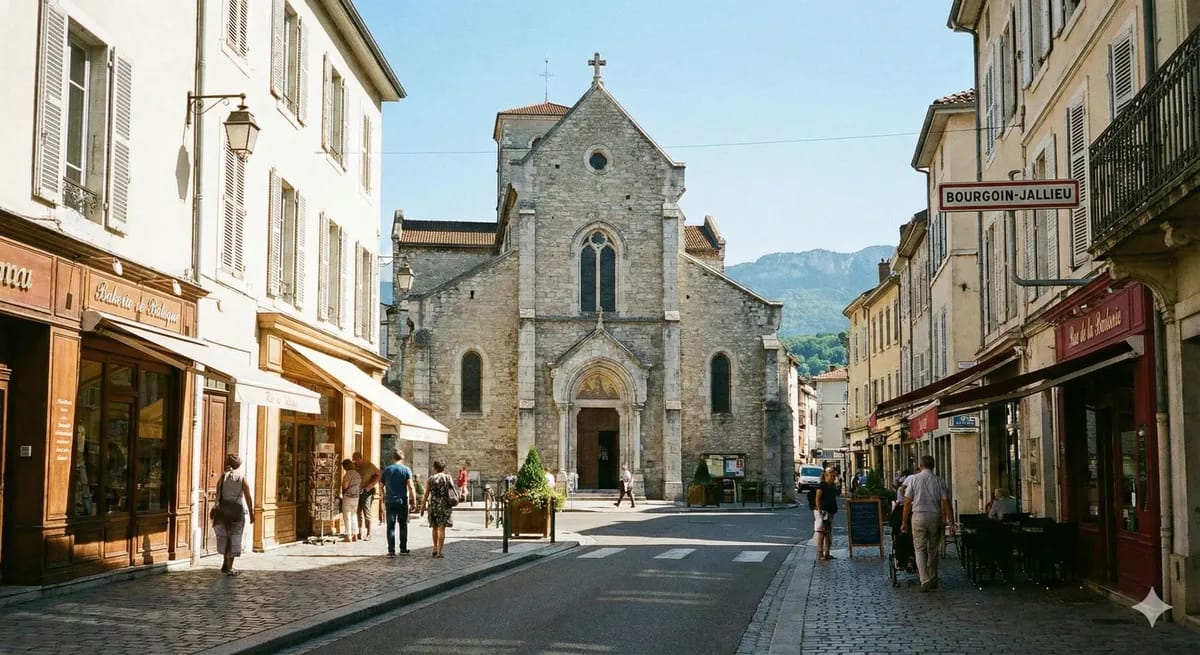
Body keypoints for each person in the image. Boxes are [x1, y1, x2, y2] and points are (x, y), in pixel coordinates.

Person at [901, 455, 952, 592]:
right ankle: (933, 576)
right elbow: (946, 502)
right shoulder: (939, 481)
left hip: (918, 516)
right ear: (933, 466)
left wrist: (904, 521)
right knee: (933, 549)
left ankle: (924, 579)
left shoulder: (914, 479)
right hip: (934, 516)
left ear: (921, 465)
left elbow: (907, 502)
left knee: (919, 549)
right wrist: (951, 522)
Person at [212, 454, 254, 576]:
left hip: (223, 511)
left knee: (225, 537)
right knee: (234, 538)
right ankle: (230, 567)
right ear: (239, 464)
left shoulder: (223, 477)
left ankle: (225, 563)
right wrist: (251, 513)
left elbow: (218, 493)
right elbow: (248, 497)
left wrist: (216, 507)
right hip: (236, 512)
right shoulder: (242, 478)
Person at [380, 450, 416, 558]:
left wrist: (383, 497)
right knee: (403, 525)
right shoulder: (406, 470)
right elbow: (410, 486)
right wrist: (414, 501)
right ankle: (403, 549)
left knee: (390, 526)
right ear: (402, 457)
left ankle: (391, 551)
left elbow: (381, 486)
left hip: (390, 501)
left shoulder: (387, 470)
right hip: (402, 501)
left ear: (393, 458)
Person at [421, 459, 455, 558]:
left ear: (434, 468)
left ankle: (435, 548)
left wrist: (422, 507)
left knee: (435, 528)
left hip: (434, 505)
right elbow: (452, 489)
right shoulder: (447, 477)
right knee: (442, 529)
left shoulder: (431, 479)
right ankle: (440, 552)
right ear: (443, 467)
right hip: (444, 505)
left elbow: (426, 494)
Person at [353, 451, 380, 541]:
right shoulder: (355, 467)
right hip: (356, 492)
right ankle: (360, 532)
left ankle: (369, 533)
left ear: (360, 458)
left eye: (356, 460)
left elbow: (379, 474)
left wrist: (371, 485)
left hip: (366, 492)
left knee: (366, 512)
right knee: (358, 512)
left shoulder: (369, 466)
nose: (355, 462)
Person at [814, 468, 840, 560]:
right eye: (831, 473)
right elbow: (817, 498)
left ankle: (827, 553)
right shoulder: (822, 485)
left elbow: (835, 495)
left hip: (830, 512)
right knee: (822, 532)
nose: (833, 475)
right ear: (825, 474)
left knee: (828, 533)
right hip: (823, 511)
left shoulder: (832, 485)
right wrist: (820, 510)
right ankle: (821, 554)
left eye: (834, 473)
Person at [339, 459, 361, 542]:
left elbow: (345, 486)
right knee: (354, 515)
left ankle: (348, 535)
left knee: (347, 516)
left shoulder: (347, 474)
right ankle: (355, 534)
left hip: (348, 496)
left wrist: (342, 485)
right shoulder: (357, 474)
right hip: (356, 497)